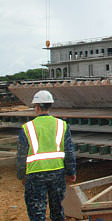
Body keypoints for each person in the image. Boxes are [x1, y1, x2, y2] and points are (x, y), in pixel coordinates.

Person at [16, 90, 76, 221]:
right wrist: (71, 172)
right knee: (57, 210)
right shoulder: (62, 125)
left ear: (36, 107)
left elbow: (21, 156)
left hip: (35, 174)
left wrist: (21, 175)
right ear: (50, 106)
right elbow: (69, 151)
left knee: (37, 212)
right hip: (57, 173)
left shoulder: (27, 128)